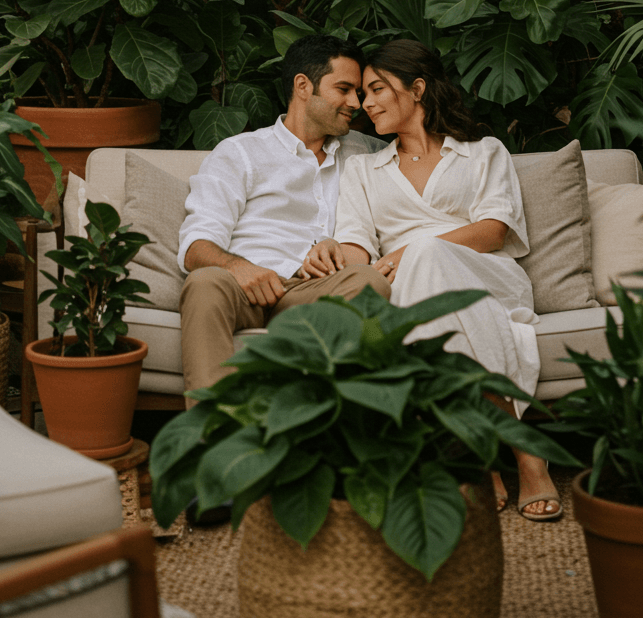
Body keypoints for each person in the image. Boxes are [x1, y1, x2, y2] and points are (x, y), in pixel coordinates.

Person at [303, 39, 561, 521]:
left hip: (487, 274)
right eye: (362, 92)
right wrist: (338, 251)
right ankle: (524, 454)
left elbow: (493, 230)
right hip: (406, 286)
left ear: (417, 89)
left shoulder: (483, 152)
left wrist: (417, 249)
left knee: (426, 255)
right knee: (425, 284)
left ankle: (483, 459)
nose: (366, 103)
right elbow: (359, 246)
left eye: (377, 89)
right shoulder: (363, 169)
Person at [177, 34, 391, 397]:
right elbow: (196, 245)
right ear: (303, 86)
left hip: (316, 292)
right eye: (344, 89)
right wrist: (238, 268)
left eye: (358, 92)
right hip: (246, 288)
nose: (356, 103)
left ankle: (328, 424)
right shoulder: (240, 152)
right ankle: (214, 439)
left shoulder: (366, 153)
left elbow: (425, 158)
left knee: (369, 284)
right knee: (204, 282)